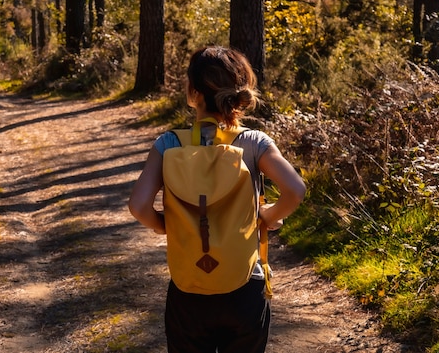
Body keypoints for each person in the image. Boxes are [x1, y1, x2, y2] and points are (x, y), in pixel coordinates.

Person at [128, 46, 306, 353]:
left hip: (188, 289)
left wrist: (163, 224)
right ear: (239, 93)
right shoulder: (254, 142)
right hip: (245, 286)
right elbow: (295, 190)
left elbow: (139, 206)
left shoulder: (169, 143)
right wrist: (267, 216)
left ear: (192, 91)